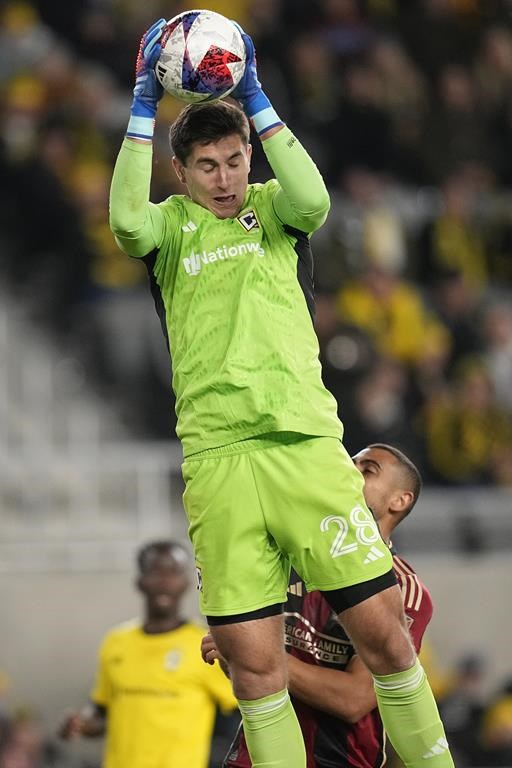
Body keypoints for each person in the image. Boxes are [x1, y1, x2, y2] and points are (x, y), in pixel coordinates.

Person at [108, 16, 453, 767]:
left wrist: (257, 97)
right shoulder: (170, 231)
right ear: (182, 172)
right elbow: (125, 222)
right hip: (219, 466)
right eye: (207, 166)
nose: (225, 178)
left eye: (235, 161)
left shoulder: (272, 213)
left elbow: (315, 200)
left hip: (306, 450)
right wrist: (142, 106)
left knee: (389, 644)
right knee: (257, 677)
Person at [201, 443, 436, 766]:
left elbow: (354, 699)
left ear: (400, 500)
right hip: (254, 758)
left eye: (368, 470)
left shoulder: (404, 589)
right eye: (349, 463)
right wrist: (236, 656)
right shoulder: (281, 560)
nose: (349, 470)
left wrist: (258, 658)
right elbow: (252, 674)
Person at [58, 540, 237, 768]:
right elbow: (101, 711)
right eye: (156, 572)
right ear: (140, 581)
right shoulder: (116, 642)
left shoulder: (205, 644)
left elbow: (242, 709)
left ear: (187, 582)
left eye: (173, 572)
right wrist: (81, 724)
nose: (165, 581)